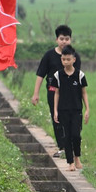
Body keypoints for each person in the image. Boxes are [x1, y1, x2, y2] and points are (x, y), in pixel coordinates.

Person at [32, 25, 77, 158]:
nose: (64, 42)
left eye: (67, 39)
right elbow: (40, 75)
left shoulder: (75, 57)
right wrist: (36, 94)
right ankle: (62, 147)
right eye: (61, 39)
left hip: (70, 94)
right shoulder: (49, 56)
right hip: (53, 93)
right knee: (57, 119)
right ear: (57, 39)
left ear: (70, 40)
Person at [50, 46, 89, 171]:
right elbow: (56, 93)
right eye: (63, 59)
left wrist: (87, 109)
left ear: (74, 59)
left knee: (76, 135)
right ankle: (70, 163)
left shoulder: (80, 75)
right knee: (66, 136)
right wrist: (55, 111)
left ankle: (77, 157)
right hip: (63, 110)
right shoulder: (58, 75)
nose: (65, 62)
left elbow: (84, 93)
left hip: (76, 110)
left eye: (68, 59)